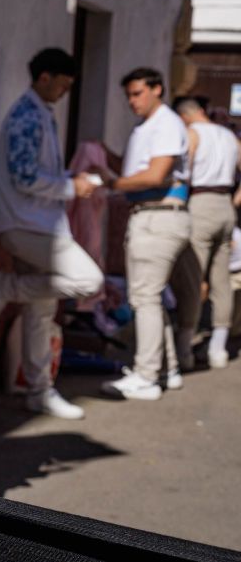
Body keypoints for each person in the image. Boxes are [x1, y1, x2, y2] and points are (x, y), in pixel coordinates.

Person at [0, 48, 104, 420]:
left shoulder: (39, 114)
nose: (63, 93)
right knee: (89, 280)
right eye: (62, 86)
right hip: (27, 224)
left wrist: (70, 184)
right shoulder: (26, 116)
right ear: (44, 77)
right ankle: (5, 287)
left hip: (37, 223)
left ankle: (39, 390)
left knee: (41, 309)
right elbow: (24, 176)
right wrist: (72, 187)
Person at [98, 68, 190, 400]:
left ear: (157, 90)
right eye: (129, 95)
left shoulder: (165, 123)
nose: (132, 101)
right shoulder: (150, 126)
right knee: (150, 297)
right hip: (152, 215)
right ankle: (166, 369)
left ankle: (146, 375)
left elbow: (155, 175)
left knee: (146, 298)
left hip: (159, 215)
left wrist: (111, 183)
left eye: (137, 93)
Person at [174, 96, 239, 369]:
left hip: (200, 203)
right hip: (225, 205)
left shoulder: (192, 134)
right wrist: (235, 199)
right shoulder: (228, 135)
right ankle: (217, 347)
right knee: (221, 279)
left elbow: (182, 174)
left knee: (193, 277)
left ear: (185, 116)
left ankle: (184, 348)